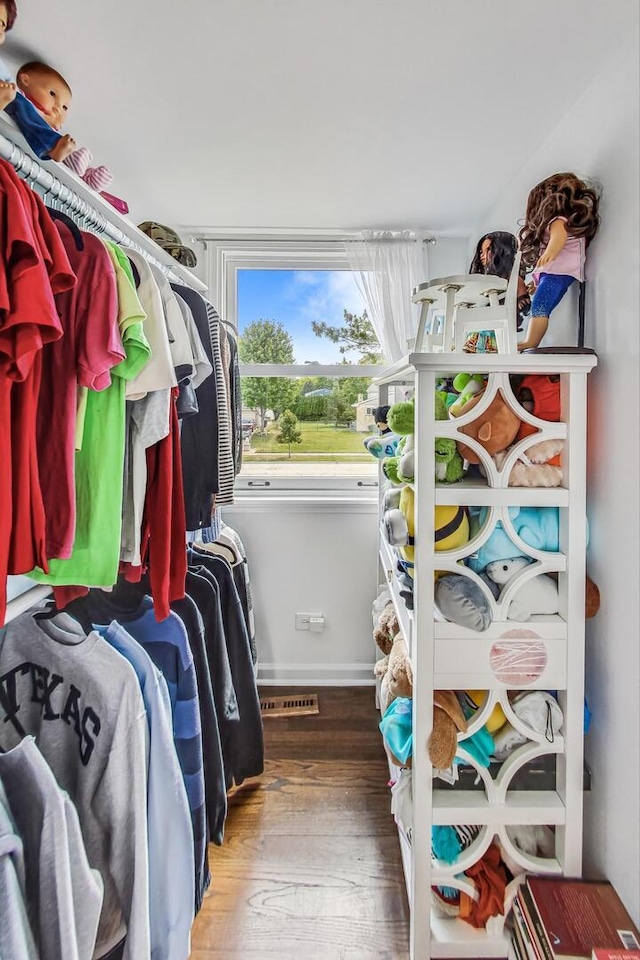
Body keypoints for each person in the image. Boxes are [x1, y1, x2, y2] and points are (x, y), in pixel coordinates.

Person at [517, 172, 600, 351]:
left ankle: (531, 341)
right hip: (557, 273)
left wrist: (551, 252)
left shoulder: (558, 221)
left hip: (559, 273)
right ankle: (530, 340)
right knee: (541, 305)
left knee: (540, 306)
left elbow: (558, 238)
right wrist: (537, 280)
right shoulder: (559, 221)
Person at [464, 231, 530, 353]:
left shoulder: (512, 278)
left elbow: (523, 302)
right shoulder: (487, 280)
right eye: (481, 252)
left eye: (488, 250)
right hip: (484, 327)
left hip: (498, 330)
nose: (483, 256)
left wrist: (521, 301)